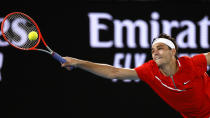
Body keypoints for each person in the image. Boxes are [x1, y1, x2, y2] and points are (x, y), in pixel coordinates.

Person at [61, 33, 210, 118]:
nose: (155, 52)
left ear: (173, 51)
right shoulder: (149, 70)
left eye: (160, 48)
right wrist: (77, 62)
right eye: (152, 50)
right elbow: (113, 72)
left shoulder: (191, 64)